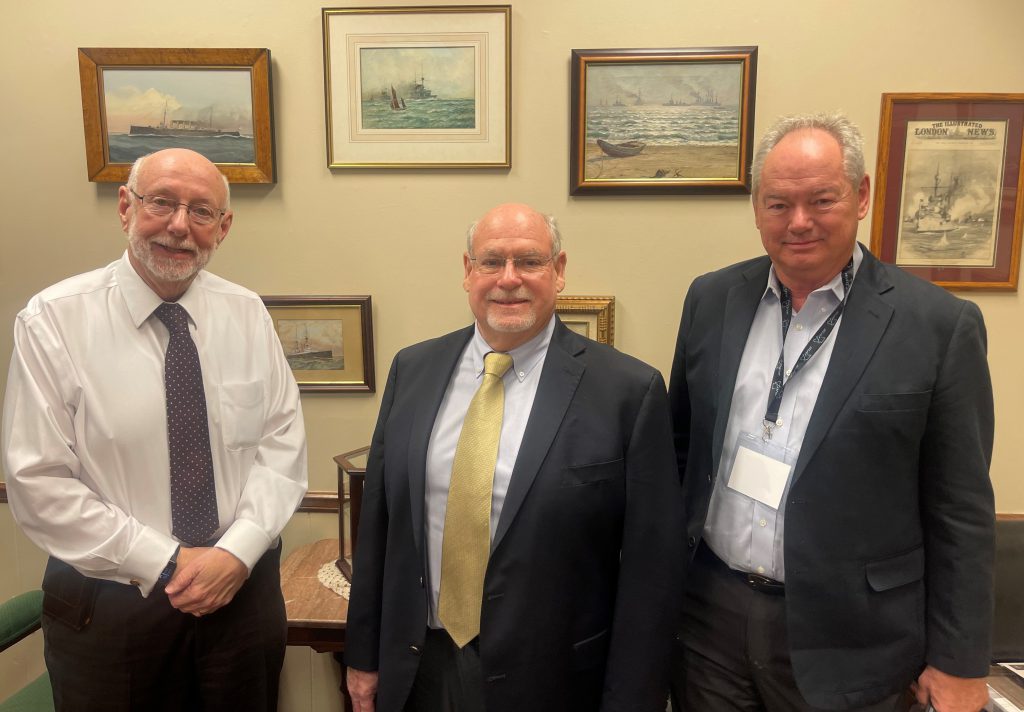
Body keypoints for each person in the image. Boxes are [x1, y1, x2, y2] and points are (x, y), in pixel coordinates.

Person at [668, 112, 995, 712]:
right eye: (778, 204)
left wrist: (959, 660)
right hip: (712, 619)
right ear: (757, 208)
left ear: (861, 195)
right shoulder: (710, 299)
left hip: (854, 636)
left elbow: (961, 510)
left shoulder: (939, 326)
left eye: (822, 199)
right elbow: (683, 447)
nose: (799, 221)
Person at [2, 148, 308, 711]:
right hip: (111, 609)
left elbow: (280, 448)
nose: (179, 226)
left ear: (223, 227)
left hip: (239, 596)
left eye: (201, 211)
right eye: (161, 202)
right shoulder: (53, 320)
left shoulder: (246, 314)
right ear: (126, 207)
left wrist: (237, 552)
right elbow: (39, 481)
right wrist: (166, 560)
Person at [345, 203, 683, 712]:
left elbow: (651, 572)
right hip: (418, 669)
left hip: (554, 681)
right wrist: (363, 656)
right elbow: (379, 526)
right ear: (468, 271)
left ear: (559, 271)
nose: (508, 279)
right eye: (491, 262)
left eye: (529, 261)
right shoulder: (413, 369)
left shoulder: (628, 391)